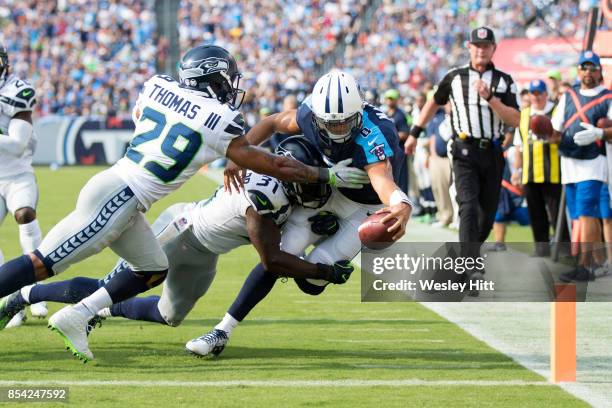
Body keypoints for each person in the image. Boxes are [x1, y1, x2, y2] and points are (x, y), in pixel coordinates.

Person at [0, 45, 366, 360]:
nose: (231, 87)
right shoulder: (222, 122)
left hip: (127, 194)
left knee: (152, 271)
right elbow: (270, 170)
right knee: (43, 263)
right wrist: (324, 177)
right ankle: (37, 300)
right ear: (214, 79)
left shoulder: (157, 86)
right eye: (226, 79)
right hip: (128, 196)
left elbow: (143, 119)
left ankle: (78, 315)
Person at [0, 138, 354, 335]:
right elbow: (272, 259)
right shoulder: (265, 195)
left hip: (205, 252)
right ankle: (26, 293)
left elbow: (278, 124)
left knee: (167, 315)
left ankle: (100, 310)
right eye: (307, 179)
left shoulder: (284, 192)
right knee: (110, 285)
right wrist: (324, 272)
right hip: (182, 230)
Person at [186, 70, 412, 357]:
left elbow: (382, 181)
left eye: (344, 123)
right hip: (331, 192)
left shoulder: (375, 134)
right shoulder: (309, 114)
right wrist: (239, 154)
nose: (338, 130)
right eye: (331, 123)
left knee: (312, 282)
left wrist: (401, 204)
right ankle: (222, 330)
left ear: (358, 113)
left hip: (366, 207)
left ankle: (324, 243)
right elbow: (271, 123)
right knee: (279, 257)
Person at [404, 27, 520, 287]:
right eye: (476, 45)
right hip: (463, 149)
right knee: (467, 205)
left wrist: (490, 98)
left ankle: (466, 260)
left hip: (492, 150)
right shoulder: (454, 77)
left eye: (486, 45)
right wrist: (414, 133)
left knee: (487, 215)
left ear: (493, 49)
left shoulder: (504, 81)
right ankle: (470, 268)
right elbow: (433, 103)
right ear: (469, 47)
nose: (481, 50)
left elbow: (515, 118)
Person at [553, 51, 612, 281]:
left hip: (594, 162)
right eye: (584, 67)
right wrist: (544, 134)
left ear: (599, 71)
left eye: (592, 68)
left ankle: (584, 266)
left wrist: (600, 132)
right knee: (579, 215)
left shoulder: (607, 97)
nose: (588, 72)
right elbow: (556, 130)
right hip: (569, 161)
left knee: (587, 213)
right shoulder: (569, 95)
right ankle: (598, 262)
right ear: (578, 70)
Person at [0, 44, 46, 326]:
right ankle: (10, 300)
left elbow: (17, 145)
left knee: (24, 214)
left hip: (17, 175)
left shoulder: (16, 91)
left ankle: (35, 290)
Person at [512, 79, 561, 257]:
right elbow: (519, 146)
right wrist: (516, 171)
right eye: (533, 93)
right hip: (530, 172)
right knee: (536, 212)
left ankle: (563, 248)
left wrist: (550, 135)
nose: (537, 97)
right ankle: (542, 247)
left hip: (553, 172)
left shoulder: (556, 111)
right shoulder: (524, 115)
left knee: (556, 213)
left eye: (540, 93)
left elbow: (562, 137)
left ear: (546, 94)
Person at [383, 89, 410, 193]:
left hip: (399, 152)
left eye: (392, 99)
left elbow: (405, 134)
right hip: (389, 153)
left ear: (396, 100)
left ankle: (404, 203)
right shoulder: (384, 114)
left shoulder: (400, 115)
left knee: (401, 178)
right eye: (388, 99)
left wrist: (389, 136)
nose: (390, 101)